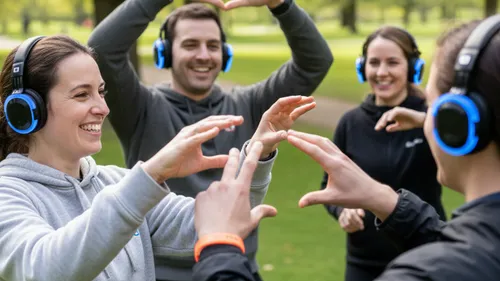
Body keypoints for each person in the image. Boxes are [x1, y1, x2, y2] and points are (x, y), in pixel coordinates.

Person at [189, 15, 500, 281]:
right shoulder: (477, 250)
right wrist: (385, 201)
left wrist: (219, 245)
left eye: (433, 107)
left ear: (456, 122)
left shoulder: (426, 272)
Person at [0, 34, 316, 281]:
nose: (103, 108)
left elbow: (218, 221)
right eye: (82, 94)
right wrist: (151, 174)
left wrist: (257, 154)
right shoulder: (8, 194)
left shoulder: (115, 182)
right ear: (26, 110)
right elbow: (45, 269)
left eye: (101, 91)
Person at [87, 0, 332, 279]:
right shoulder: (140, 107)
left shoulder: (253, 106)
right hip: (159, 272)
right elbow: (102, 51)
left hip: (234, 267)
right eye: (190, 45)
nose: (203, 55)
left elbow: (315, 61)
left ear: (224, 54)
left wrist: (282, 5)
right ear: (165, 53)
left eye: (212, 46)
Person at [319, 26, 445, 281]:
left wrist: (424, 120)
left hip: (424, 256)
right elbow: (329, 185)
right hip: (363, 262)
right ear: (362, 67)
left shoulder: (433, 117)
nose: (381, 72)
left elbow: (474, 144)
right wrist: (342, 211)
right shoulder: (350, 123)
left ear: (412, 68)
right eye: (374, 63)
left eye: (392, 63)